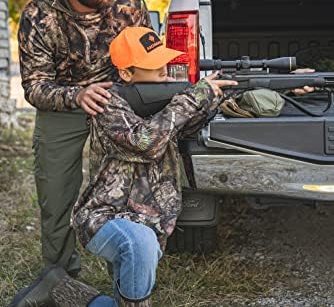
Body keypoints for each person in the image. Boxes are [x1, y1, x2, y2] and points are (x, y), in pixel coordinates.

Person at [10, 26, 238, 307]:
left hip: (153, 222)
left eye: (164, 61)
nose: (165, 71)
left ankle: (58, 288)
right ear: (127, 74)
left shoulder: (167, 103)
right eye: (154, 67)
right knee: (138, 243)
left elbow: (193, 118)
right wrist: (192, 98)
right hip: (104, 218)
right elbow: (146, 142)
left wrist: (226, 92)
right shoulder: (107, 105)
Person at [18, 0, 152, 277]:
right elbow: (34, 85)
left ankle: (128, 270)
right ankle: (61, 278)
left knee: (125, 193)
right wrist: (76, 96)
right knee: (56, 193)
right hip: (63, 103)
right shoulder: (38, 16)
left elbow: (147, 57)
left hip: (118, 98)